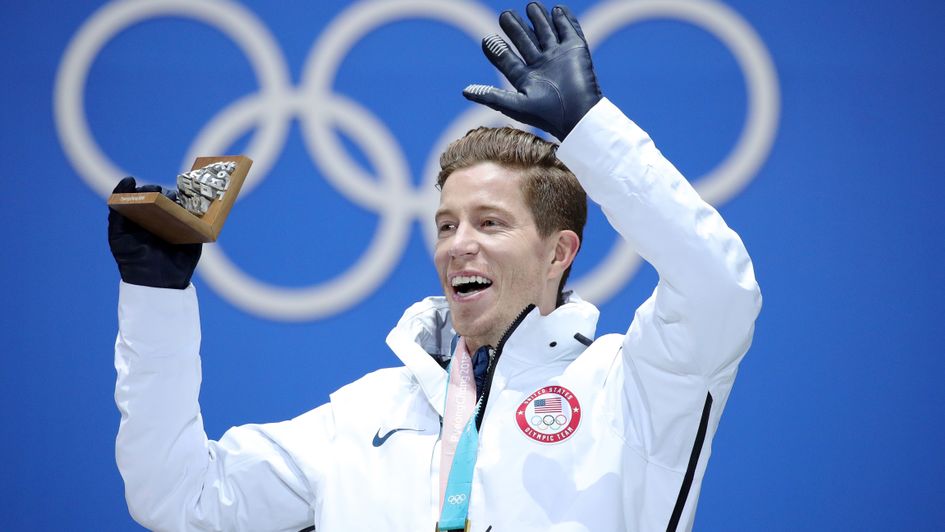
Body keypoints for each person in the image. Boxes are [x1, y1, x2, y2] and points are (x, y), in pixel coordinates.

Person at [109, 3, 761, 531]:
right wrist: (155, 297)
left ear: (557, 254)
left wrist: (589, 130)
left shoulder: (636, 387)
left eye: (490, 223)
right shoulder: (363, 415)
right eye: (446, 224)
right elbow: (179, 497)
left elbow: (718, 285)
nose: (457, 244)